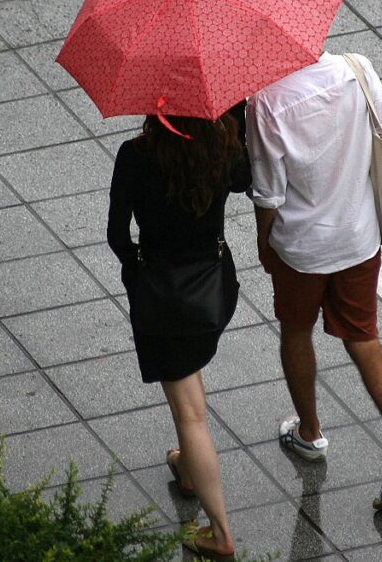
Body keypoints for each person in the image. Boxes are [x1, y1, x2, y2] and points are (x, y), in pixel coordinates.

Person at [246, 51, 382, 511]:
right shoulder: (358, 68)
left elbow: (269, 193)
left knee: (296, 331)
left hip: (302, 247)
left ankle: (310, 433)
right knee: (364, 338)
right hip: (358, 235)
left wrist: (263, 242)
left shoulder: (265, 103)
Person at [107, 106, 250, 561]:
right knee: (189, 377)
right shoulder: (223, 147)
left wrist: (137, 270)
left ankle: (220, 533)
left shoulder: (136, 155)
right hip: (212, 289)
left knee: (190, 415)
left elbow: (116, 234)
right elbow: (246, 181)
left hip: (165, 301)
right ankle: (188, 471)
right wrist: (237, 116)